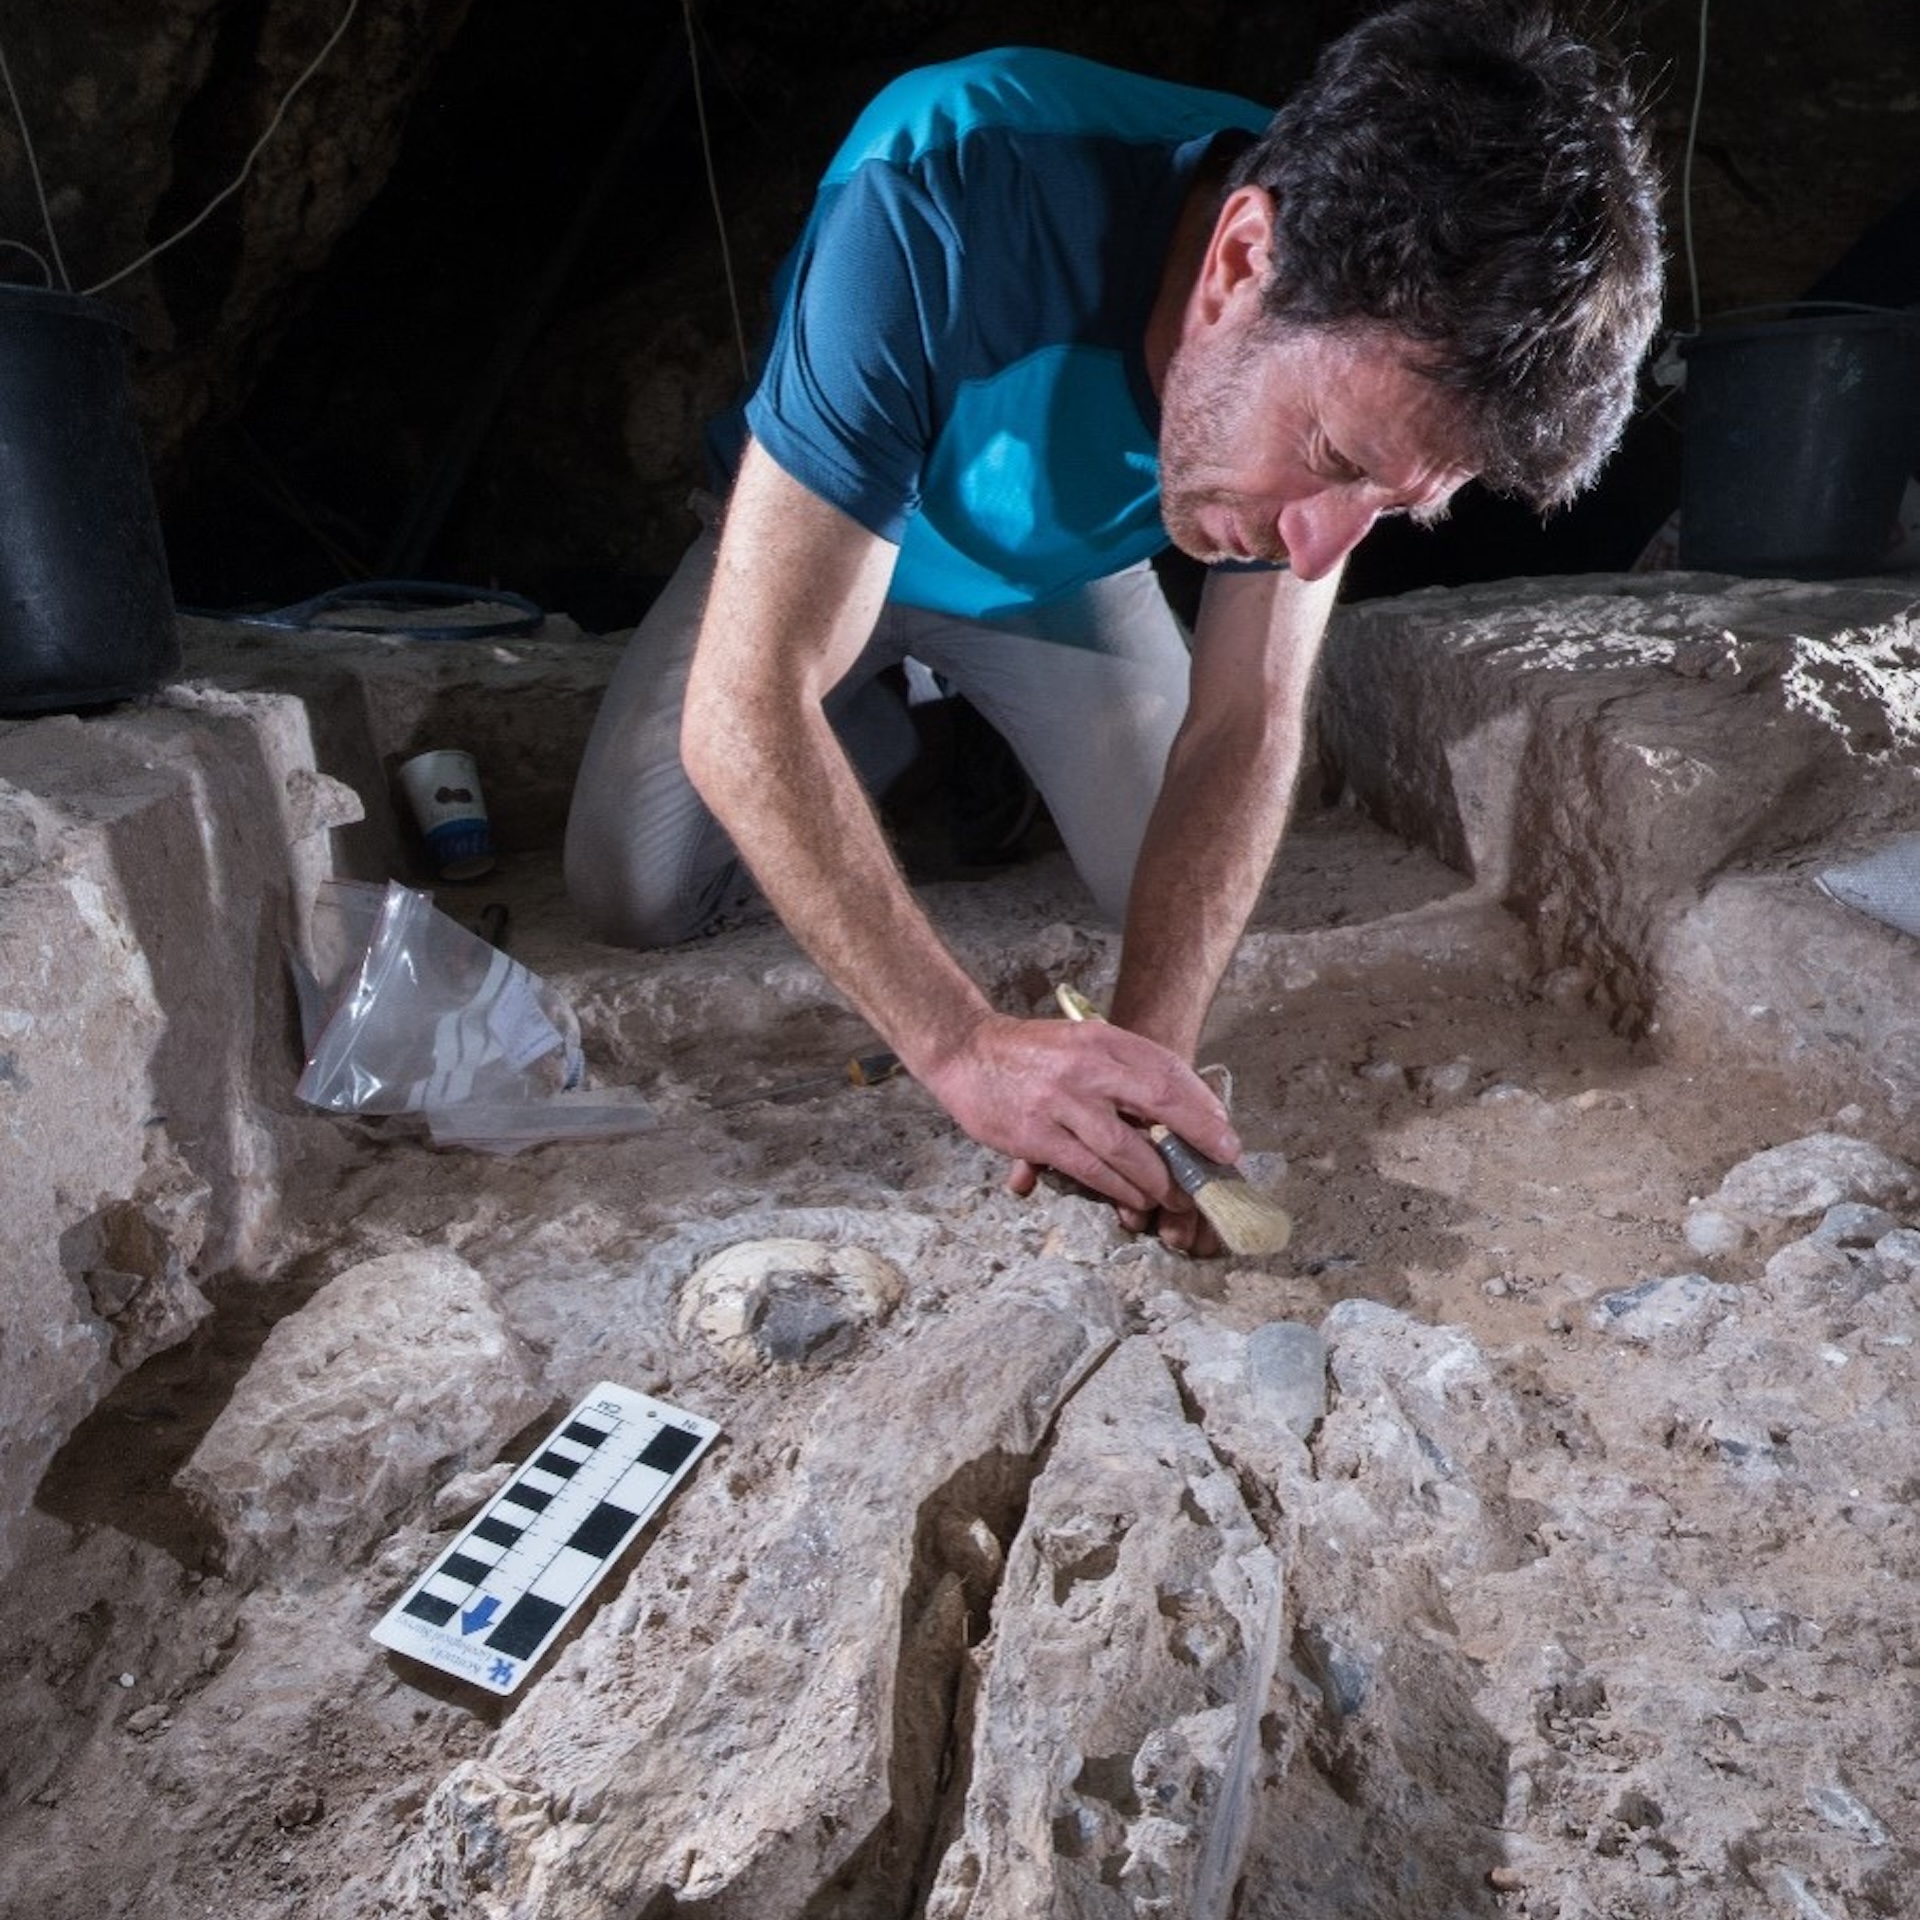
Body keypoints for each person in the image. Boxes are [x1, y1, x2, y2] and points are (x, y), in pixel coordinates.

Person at [565, 1, 1664, 1252]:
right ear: (1241, 264)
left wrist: (1145, 1095)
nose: (1317, 549)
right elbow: (745, 695)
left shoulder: (1358, 327)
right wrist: (963, 1046)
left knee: (1164, 876)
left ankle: (962, 737)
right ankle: (886, 730)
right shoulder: (943, 176)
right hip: (827, 543)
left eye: (1387, 506)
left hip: (1055, 579)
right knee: (632, 890)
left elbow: (1246, 720)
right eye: (1334, 458)